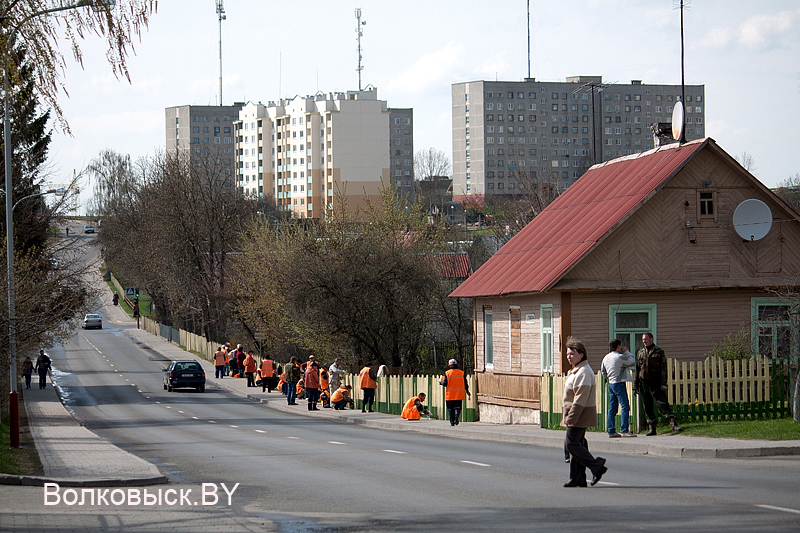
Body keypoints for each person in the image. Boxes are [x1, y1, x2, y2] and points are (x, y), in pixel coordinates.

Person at [562, 337, 607, 488]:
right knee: (578, 443)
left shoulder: (584, 372)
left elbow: (580, 398)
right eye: (568, 354)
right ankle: (578, 478)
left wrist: (571, 417)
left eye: (572, 353)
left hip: (580, 414)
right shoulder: (576, 371)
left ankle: (596, 466)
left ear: (581, 354)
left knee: (572, 443)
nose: (569, 356)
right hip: (576, 414)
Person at [636, 333, 682, 435]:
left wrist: (663, 382)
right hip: (644, 382)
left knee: (662, 403)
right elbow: (637, 369)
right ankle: (652, 427)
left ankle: (673, 423)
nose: (644, 341)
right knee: (647, 406)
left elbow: (663, 368)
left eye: (646, 339)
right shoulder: (640, 352)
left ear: (651, 339)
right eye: (643, 339)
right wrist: (636, 384)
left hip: (655, 382)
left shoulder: (659, 351)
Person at [601, 339, 637, 438]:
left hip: (611, 384)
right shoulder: (620, 356)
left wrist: (608, 377)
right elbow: (632, 362)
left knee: (612, 408)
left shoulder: (606, 357)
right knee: (625, 406)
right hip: (619, 383)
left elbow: (603, 371)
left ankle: (611, 430)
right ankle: (625, 430)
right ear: (618, 346)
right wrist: (626, 351)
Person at [440, 359, 470, 426]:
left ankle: (452, 422)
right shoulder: (462, 373)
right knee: (458, 407)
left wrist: (441, 383)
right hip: (459, 394)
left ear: (449, 365)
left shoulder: (447, 373)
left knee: (450, 409)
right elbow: (465, 383)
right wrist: (467, 391)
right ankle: (457, 414)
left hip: (450, 395)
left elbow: (445, 384)